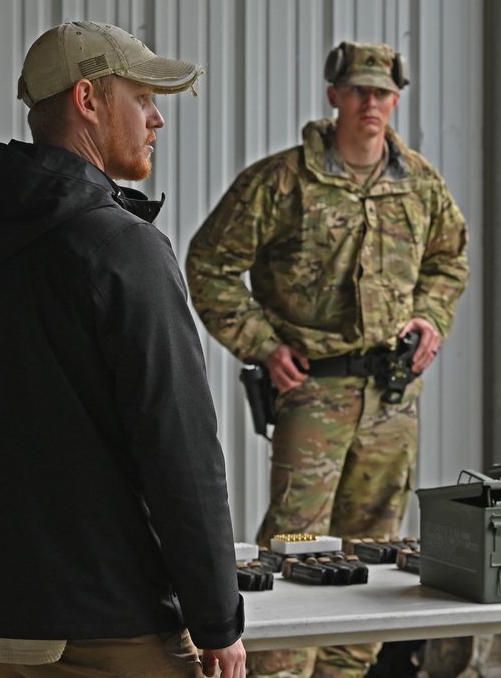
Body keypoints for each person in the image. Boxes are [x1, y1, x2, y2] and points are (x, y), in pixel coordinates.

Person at [0, 21, 246, 678]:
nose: (157, 118)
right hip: (108, 621)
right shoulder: (119, 247)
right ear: (88, 100)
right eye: (142, 98)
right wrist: (218, 619)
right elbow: (179, 446)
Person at [185, 40, 470, 678]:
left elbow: (450, 259)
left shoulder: (419, 183)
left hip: (393, 395)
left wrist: (431, 315)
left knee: (377, 544)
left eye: (382, 93)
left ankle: (346, 669)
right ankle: (276, 670)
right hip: (316, 390)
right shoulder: (282, 181)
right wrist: (262, 343)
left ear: (396, 100)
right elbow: (209, 265)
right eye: (358, 91)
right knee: (296, 543)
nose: (371, 103)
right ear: (333, 95)